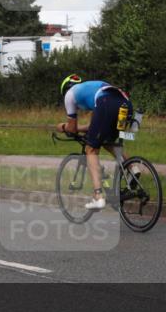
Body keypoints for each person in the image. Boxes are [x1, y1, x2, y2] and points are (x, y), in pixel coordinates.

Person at [55, 74, 134, 210]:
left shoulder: (69, 95)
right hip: (126, 104)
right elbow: (94, 127)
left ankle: (98, 196)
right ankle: (133, 169)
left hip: (107, 104)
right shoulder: (90, 90)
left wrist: (62, 127)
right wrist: (81, 129)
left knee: (90, 149)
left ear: (65, 89)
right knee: (107, 141)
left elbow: (72, 129)